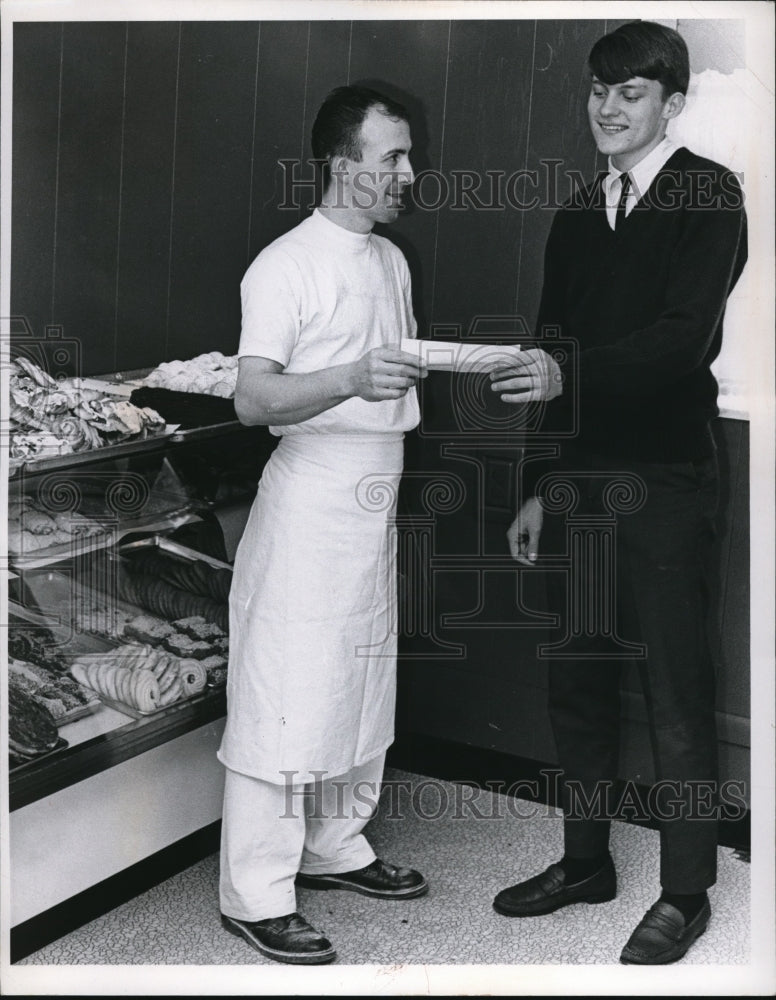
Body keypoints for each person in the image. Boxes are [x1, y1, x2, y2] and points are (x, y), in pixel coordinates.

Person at [489, 21, 748, 965]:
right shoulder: (573, 213)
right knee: (579, 678)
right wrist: (538, 486)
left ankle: (687, 891)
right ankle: (585, 861)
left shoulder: (709, 195)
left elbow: (683, 341)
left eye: (631, 93)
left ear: (671, 104)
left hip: (669, 476)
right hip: (580, 485)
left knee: (678, 692)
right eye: (598, 90)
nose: (607, 107)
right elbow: (547, 350)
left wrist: (566, 379)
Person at [217, 85, 429, 966]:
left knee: (361, 680)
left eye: (408, 156)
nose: (409, 174)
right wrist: (347, 379)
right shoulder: (281, 267)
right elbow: (252, 397)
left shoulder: (391, 262)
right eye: (392, 159)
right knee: (286, 690)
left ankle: (336, 847)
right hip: (307, 508)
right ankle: (255, 893)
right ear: (344, 166)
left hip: (373, 507)